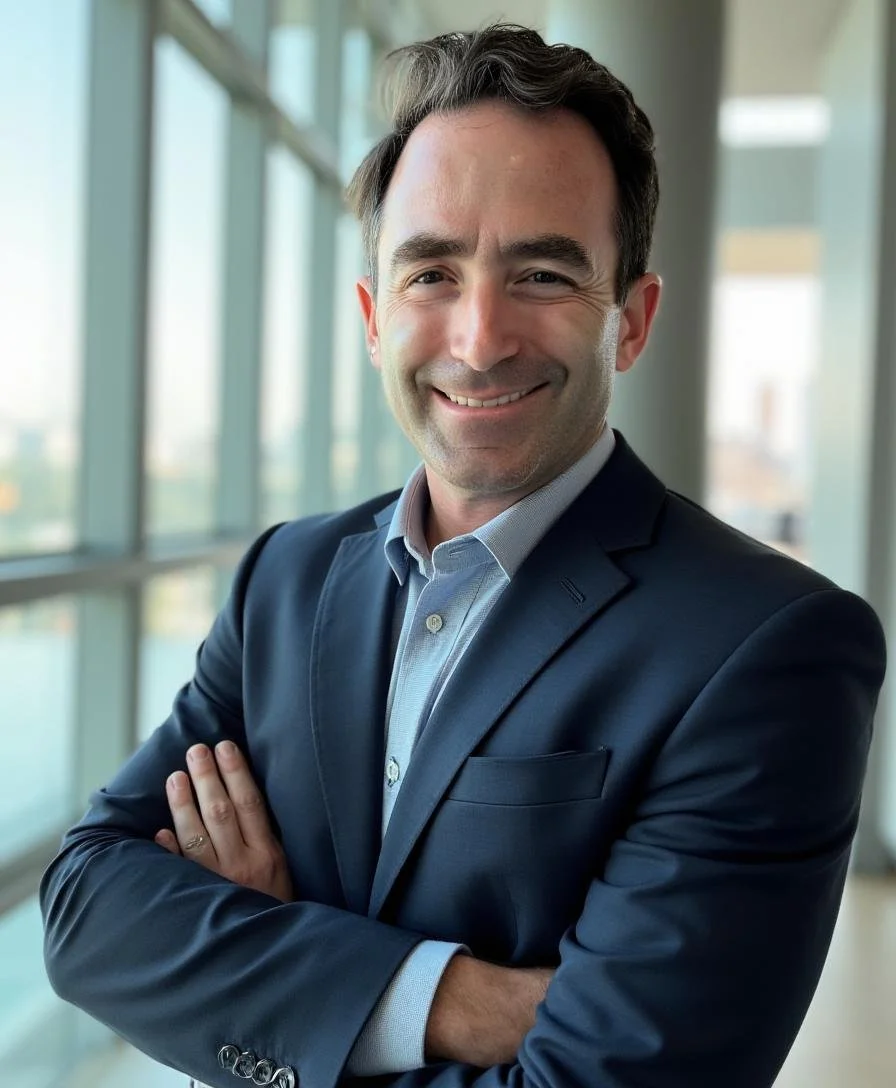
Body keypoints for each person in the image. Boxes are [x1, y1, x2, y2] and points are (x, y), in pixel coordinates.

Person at [41, 23, 886, 1088]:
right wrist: (451, 995)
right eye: (430, 270)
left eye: (540, 272)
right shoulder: (286, 579)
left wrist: (283, 967)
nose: (478, 336)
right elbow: (85, 911)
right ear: (370, 315)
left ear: (629, 321)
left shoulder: (767, 645)